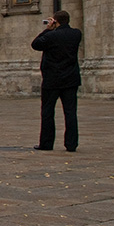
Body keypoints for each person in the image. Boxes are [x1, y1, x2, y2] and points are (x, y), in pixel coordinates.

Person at [32, 10, 83, 152]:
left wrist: (47, 30)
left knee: (48, 111)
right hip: (70, 79)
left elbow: (35, 44)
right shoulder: (76, 34)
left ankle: (46, 143)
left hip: (52, 79)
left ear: (55, 21)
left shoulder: (51, 36)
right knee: (70, 112)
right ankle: (71, 144)